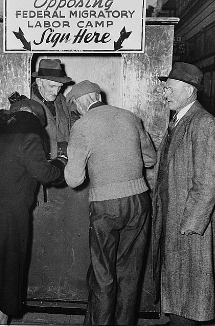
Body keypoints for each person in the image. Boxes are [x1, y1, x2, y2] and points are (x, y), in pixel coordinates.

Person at [0, 99, 67, 325]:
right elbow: (45, 174)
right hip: (11, 211)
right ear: (35, 118)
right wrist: (60, 162)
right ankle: (3, 316)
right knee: (10, 260)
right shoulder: (30, 137)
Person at [64, 80, 157, 325]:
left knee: (103, 274)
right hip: (139, 201)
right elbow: (150, 158)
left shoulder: (83, 125)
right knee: (129, 273)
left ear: (81, 102)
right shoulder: (130, 117)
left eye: (75, 106)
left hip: (106, 206)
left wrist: (68, 159)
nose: (77, 111)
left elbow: (74, 180)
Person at [153, 62, 215, 326]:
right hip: (176, 217)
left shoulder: (204, 123)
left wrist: (192, 224)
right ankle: (178, 318)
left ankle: (184, 321)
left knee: (192, 281)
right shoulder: (180, 120)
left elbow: (208, 180)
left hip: (191, 224)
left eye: (169, 89)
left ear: (188, 90)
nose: (165, 94)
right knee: (178, 277)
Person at [31, 58, 74, 159]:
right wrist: (59, 149)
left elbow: (71, 122)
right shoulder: (28, 104)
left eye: (59, 87)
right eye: (52, 86)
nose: (56, 92)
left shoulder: (61, 100)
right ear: (39, 82)